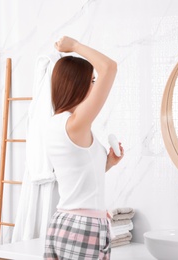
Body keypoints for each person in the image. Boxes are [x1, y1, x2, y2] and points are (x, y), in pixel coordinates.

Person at [44, 36, 123, 260]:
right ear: (78, 84)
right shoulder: (76, 123)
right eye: (92, 81)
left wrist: (107, 163)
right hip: (85, 228)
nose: (95, 87)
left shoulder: (54, 123)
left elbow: (75, 175)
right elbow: (109, 68)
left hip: (61, 223)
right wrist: (75, 46)